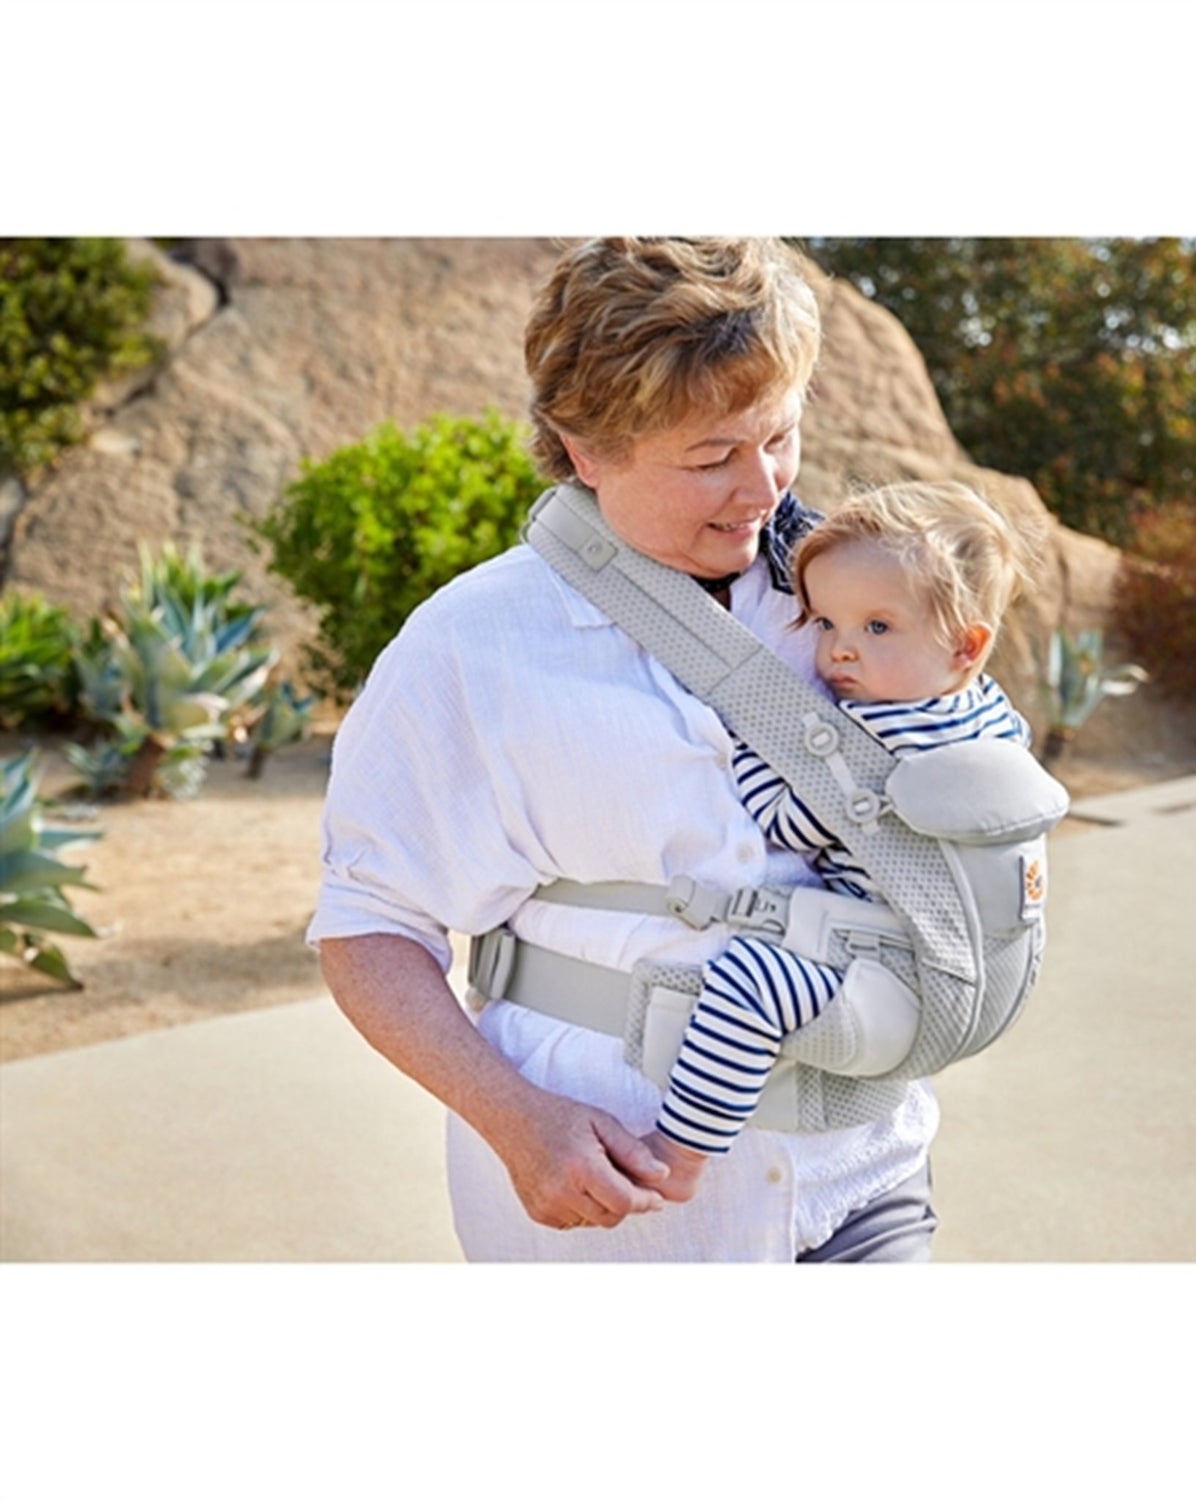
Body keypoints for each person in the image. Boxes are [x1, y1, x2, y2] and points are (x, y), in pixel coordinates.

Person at [310, 237, 953, 1261]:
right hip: (623, 1226)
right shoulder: (470, 644)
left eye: (780, 436)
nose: (763, 489)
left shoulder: (854, 596)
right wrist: (514, 1119)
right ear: (585, 450)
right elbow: (368, 926)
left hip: (860, 1176)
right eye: (711, 458)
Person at [641, 480, 1034, 1201]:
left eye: (877, 628)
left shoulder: (882, 736)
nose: (840, 651)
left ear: (967, 645)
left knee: (747, 983)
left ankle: (683, 1149)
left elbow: (784, 821)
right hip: (958, 973)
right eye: (825, 623)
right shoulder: (986, 713)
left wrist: (743, 738)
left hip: (890, 975)